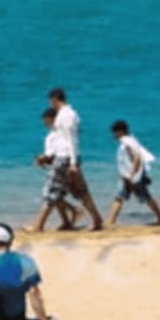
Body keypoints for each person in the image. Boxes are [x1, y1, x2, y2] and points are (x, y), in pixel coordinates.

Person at [48, 88, 104, 230]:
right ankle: (96, 218)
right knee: (81, 191)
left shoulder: (67, 115)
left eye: (51, 102)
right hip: (66, 157)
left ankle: (84, 218)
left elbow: (71, 139)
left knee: (53, 190)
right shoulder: (66, 114)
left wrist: (73, 163)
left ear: (55, 99)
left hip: (66, 158)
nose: (50, 105)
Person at [106, 119, 160, 227]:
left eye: (114, 132)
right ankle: (111, 221)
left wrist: (132, 175)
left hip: (132, 177)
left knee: (145, 197)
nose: (113, 135)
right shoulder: (131, 140)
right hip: (128, 176)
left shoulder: (127, 142)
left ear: (120, 131)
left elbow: (136, 158)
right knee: (120, 197)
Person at [27, 108, 80, 233]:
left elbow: (53, 154)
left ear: (51, 119)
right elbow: (53, 153)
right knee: (57, 194)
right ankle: (69, 218)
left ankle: (38, 226)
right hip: (62, 162)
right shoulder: (58, 133)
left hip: (61, 162)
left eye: (46, 120)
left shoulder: (56, 134)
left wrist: (43, 159)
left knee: (49, 193)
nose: (45, 123)